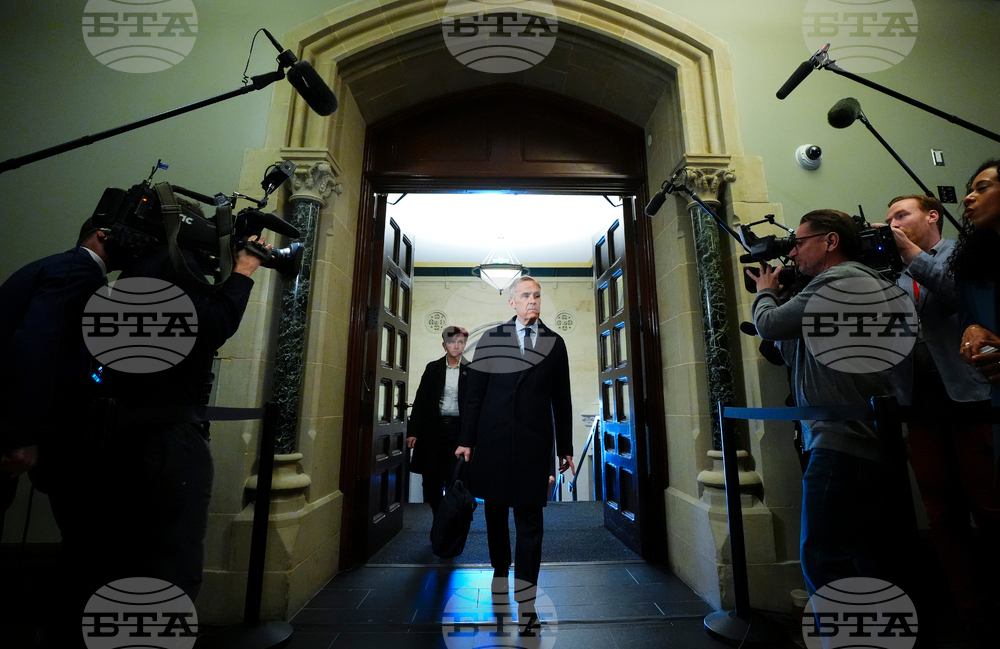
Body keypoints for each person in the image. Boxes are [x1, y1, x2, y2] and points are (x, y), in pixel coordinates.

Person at [87, 203, 270, 608]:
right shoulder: (175, 266)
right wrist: (242, 272)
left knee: (122, 553)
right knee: (172, 554)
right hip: (166, 434)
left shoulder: (136, 273)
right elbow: (210, 328)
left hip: (122, 430)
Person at [748, 209, 903, 595]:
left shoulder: (842, 280)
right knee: (863, 553)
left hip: (843, 439)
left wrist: (766, 292)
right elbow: (786, 351)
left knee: (823, 556)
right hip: (853, 438)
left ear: (830, 241)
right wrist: (788, 298)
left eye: (799, 244)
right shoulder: (840, 286)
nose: (793, 254)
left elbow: (767, 325)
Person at [884, 194, 997, 630]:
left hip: (969, 396)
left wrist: (912, 255)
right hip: (920, 402)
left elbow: (960, 299)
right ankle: (971, 610)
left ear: (932, 215)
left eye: (901, 215)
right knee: (939, 510)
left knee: (988, 504)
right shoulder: (894, 280)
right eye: (888, 218)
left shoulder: (964, 256)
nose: (892, 224)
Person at [456, 276, 574, 627]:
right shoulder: (492, 339)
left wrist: (565, 447)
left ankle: (527, 605)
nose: (532, 301)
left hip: (533, 446)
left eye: (537, 295)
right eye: (525, 296)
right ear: (512, 302)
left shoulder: (555, 343)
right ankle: (499, 569)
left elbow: (562, 399)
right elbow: (475, 393)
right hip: (492, 442)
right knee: (495, 514)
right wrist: (467, 440)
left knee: (530, 522)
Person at [0, 219, 115, 539]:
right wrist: (23, 436)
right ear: (102, 235)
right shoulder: (80, 270)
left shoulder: (54, 266)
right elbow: (37, 345)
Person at [407, 325, 470, 516]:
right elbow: (421, 401)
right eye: (452, 342)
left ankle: (451, 522)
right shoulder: (433, 368)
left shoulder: (471, 370)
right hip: (433, 431)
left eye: (460, 342)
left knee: (455, 479)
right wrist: (413, 431)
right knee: (432, 481)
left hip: (459, 431)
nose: (456, 346)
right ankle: (438, 518)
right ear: (444, 345)